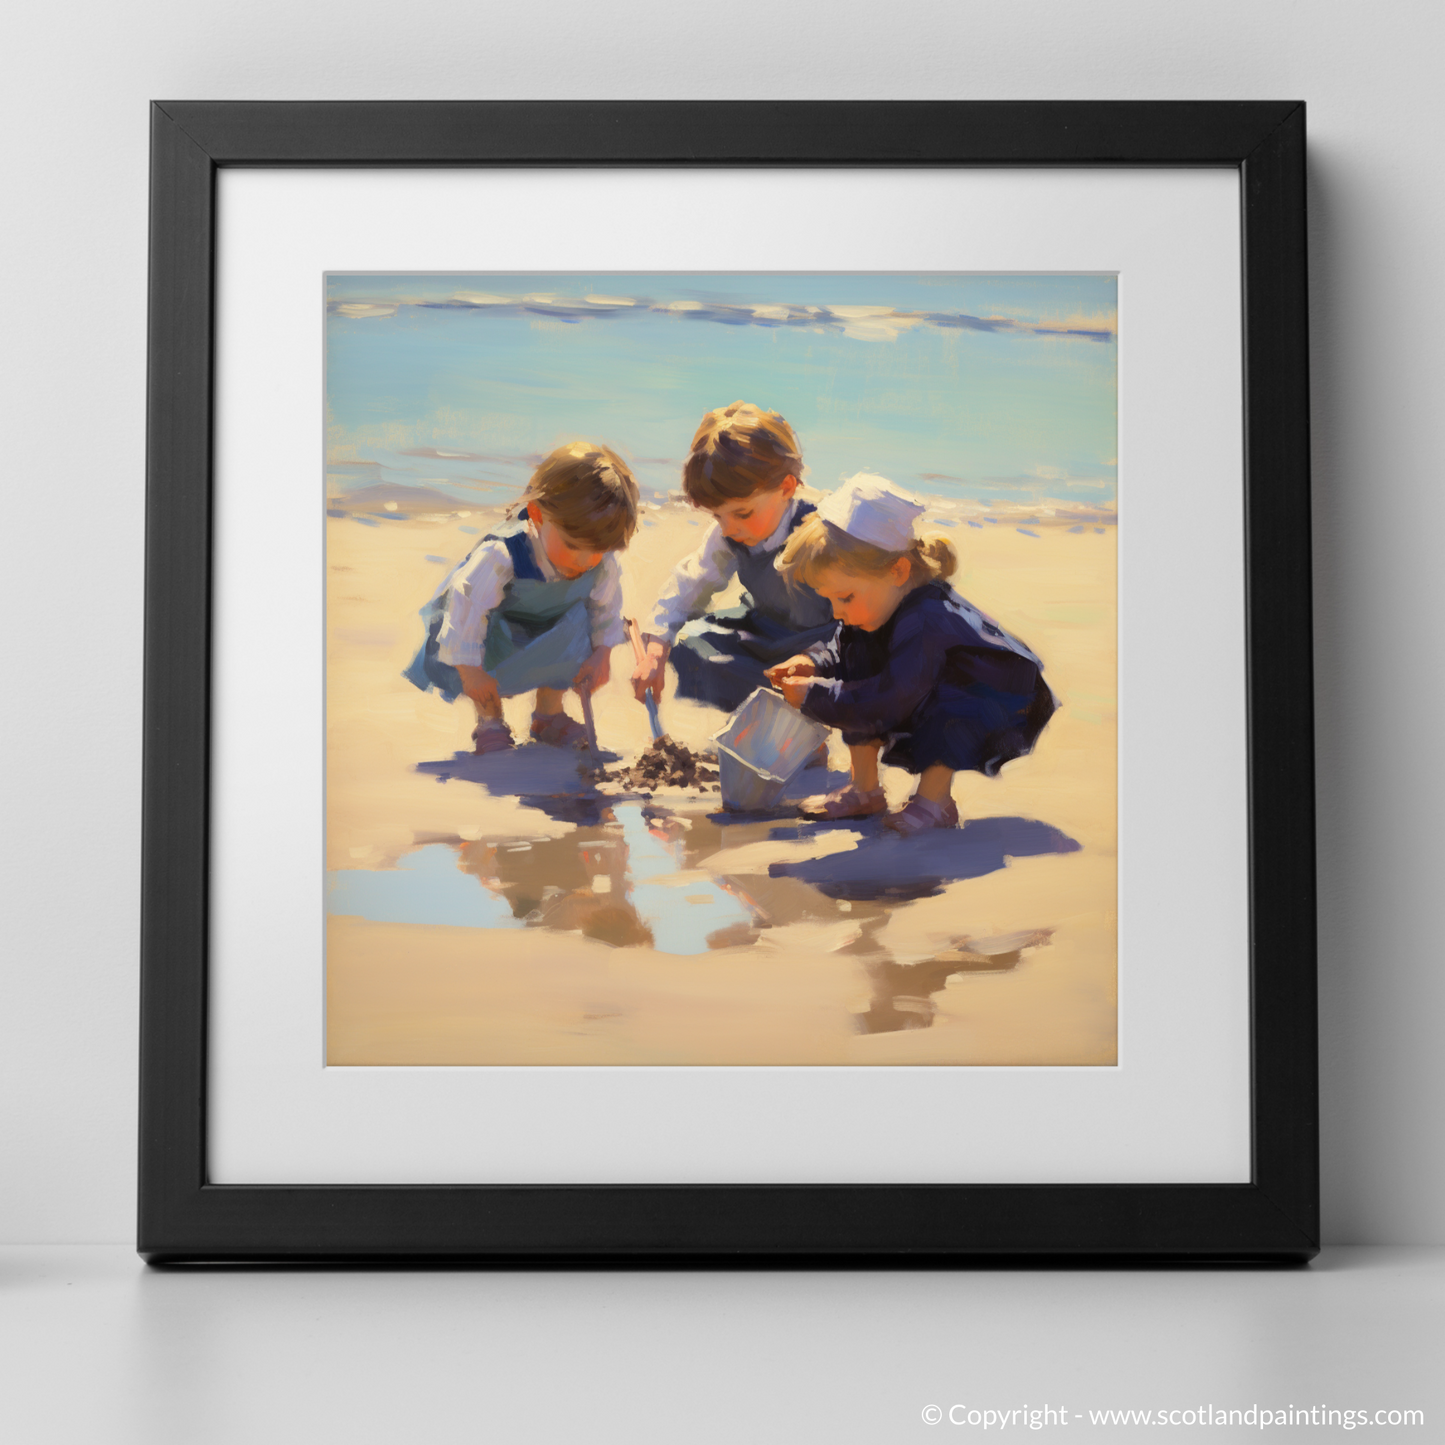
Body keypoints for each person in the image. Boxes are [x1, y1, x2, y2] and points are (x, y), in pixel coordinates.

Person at [767, 474, 1057, 834]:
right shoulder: (876, 606)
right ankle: (864, 790)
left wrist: (814, 696)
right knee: (856, 661)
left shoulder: (928, 619)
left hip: (1001, 696)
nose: (837, 612)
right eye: (829, 599)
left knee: (949, 703)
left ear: (898, 571)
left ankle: (935, 801)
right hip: (919, 688)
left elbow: (889, 700)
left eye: (845, 598)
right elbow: (839, 650)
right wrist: (812, 663)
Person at [404, 441, 638, 752]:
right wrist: (471, 671)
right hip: (493, 648)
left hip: (546, 643)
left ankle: (548, 715)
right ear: (537, 515)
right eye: (572, 546)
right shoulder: (501, 554)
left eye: (597, 551)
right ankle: (490, 720)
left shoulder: (602, 562)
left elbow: (606, 611)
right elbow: (465, 609)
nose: (584, 561)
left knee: (581, 621)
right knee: (481, 647)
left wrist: (602, 655)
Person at [631, 401, 835, 714]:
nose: (728, 528)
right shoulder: (729, 534)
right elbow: (690, 584)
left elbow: (859, 619)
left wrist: (816, 656)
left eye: (742, 513)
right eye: (718, 516)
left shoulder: (820, 535)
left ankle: (796, 714)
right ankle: (772, 708)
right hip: (765, 632)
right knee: (688, 648)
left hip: (822, 643)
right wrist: (656, 648)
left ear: (786, 487)